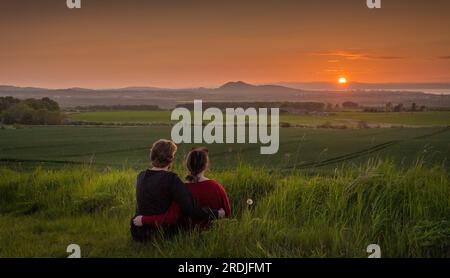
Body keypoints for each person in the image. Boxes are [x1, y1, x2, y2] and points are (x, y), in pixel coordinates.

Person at [130, 140, 225, 241]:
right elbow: (190, 210)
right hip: (162, 233)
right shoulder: (171, 179)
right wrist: (216, 213)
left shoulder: (141, 176)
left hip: (138, 232)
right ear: (170, 158)